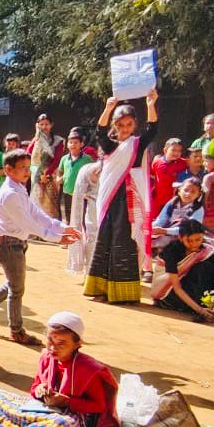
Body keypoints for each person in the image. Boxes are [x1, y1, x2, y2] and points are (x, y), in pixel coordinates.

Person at [0, 150, 79, 344]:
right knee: (16, 289)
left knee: (14, 284)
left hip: (14, 243)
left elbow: (36, 213)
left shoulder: (18, 188)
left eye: (28, 167)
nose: (27, 172)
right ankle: (16, 330)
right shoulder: (11, 193)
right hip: (9, 244)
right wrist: (56, 237)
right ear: (8, 169)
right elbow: (29, 223)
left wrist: (61, 228)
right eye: (22, 168)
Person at [84, 91, 159, 304]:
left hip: (129, 201)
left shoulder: (137, 144)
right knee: (105, 239)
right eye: (120, 125)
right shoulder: (110, 146)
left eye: (129, 124)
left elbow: (153, 130)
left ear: (134, 125)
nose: (125, 129)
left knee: (124, 241)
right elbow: (99, 131)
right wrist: (108, 108)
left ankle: (123, 293)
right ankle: (100, 289)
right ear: (115, 126)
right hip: (110, 200)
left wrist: (150, 104)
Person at [30, 312, 119, 427]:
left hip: (77, 417)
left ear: (77, 344)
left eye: (61, 343)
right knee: (1, 401)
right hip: (49, 410)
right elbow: (34, 388)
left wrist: (67, 402)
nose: (52, 348)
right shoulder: (46, 357)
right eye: (50, 340)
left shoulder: (87, 369)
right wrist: (39, 390)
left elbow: (99, 406)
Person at [151, 219, 214, 322]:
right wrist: (200, 310)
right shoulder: (171, 251)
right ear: (181, 238)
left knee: (206, 267)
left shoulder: (206, 252)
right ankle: (198, 308)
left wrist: (208, 304)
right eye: (189, 241)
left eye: (198, 239)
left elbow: (208, 283)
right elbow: (177, 288)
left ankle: (205, 306)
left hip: (191, 290)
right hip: (169, 293)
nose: (194, 244)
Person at [152, 175, 206, 243]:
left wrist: (165, 231)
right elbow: (161, 219)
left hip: (186, 238)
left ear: (198, 195)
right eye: (186, 190)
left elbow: (190, 229)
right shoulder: (172, 203)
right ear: (179, 190)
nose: (188, 194)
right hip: (168, 232)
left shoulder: (198, 208)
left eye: (193, 192)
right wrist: (152, 228)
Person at [148, 138, 188, 223]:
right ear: (165, 150)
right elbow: (152, 177)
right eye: (173, 150)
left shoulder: (183, 163)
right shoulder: (157, 162)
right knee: (156, 223)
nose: (176, 153)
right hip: (159, 201)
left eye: (179, 151)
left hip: (175, 202)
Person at [57, 128, 94, 222]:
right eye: (70, 142)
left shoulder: (87, 159)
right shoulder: (64, 159)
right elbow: (60, 171)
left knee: (81, 216)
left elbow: (93, 173)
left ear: (81, 144)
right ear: (67, 144)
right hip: (67, 191)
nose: (73, 145)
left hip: (82, 193)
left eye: (76, 142)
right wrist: (58, 178)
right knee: (68, 216)